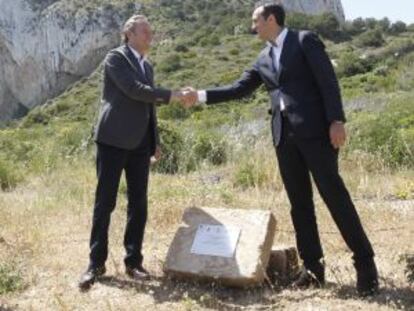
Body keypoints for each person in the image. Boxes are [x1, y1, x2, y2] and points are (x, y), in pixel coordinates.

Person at [182, 4, 379, 296]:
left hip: (316, 134)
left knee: (335, 197)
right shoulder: (263, 58)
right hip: (283, 138)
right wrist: (198, 95)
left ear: (270, 19)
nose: (253, 27)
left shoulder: (304, 41)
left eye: (256, 21)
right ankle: (313, 269)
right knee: (300, 204)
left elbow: (328, 81)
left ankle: (366, 266)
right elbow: (238, 89)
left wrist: (336, 120)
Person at [78, 14, 192, 290]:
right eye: (145, 32)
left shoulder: (147, 66)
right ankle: (95, 264)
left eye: (151, 32)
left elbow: (148, 105)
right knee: (105, 203)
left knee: (138, 203)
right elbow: (134, 90)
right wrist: (174, 95)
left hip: (140, 143)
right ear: (129, 33)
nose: (150, 37)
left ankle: (134, 262)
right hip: (113, 140)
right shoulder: (115, 58)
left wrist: (155, 141)